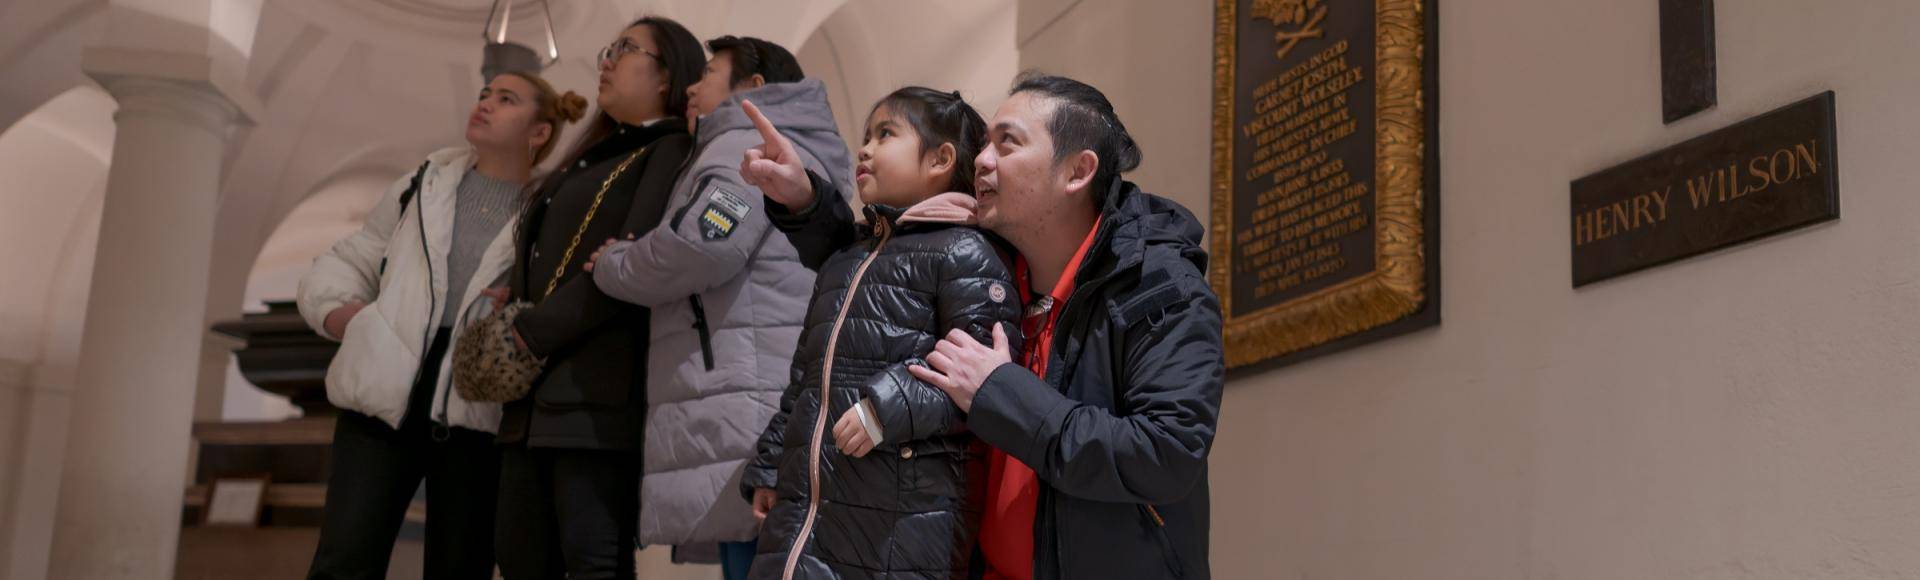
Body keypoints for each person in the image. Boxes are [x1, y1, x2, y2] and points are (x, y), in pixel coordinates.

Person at [758, 73, 1225, 579]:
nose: (980, 160)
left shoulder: (1157, 286)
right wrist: (803, 201)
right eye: (983, 145)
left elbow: (1164, 453)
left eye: (1008, 144)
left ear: (1076, 171)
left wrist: (1000, 392)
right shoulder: (1000, 267)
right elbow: (876, 268)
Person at [295, 69, 585, 580]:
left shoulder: (551, 208)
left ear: (539, 132)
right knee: (343, 563)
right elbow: (353, 258)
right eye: (484, 94)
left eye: (506, 99)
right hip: (380, 404)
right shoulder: (422, 183)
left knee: (460, 567)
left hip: (480, 412)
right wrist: (347, 319)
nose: (486, 103)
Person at [582, 35, 852, 580]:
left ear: (753, 87)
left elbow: (704, 243)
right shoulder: (791, 148)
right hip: (760, 388)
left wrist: (614, 262)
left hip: (744, 398)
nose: (691, 86)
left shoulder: (742, 146)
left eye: (707, 72)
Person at [731, 86, 1018, 579]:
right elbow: (806, 379)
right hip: (810, 507)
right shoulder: (849, 257)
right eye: (866, 135)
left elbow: (980, 375)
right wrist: (773, 460)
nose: (864, 148)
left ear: (941, 159)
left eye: (886, 134)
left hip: (904, 517)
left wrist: (885, 408)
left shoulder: (966, 251)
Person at [490, 16, 703, 580]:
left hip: (597, 394)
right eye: (610, 49)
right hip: (533, 398)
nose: (606, 60)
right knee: (519, 560)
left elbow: (629, 265)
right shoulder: (597, 153)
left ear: (666, 77)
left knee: (592, 562)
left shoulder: (671, 148)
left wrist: (528, 333)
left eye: (626, 49)